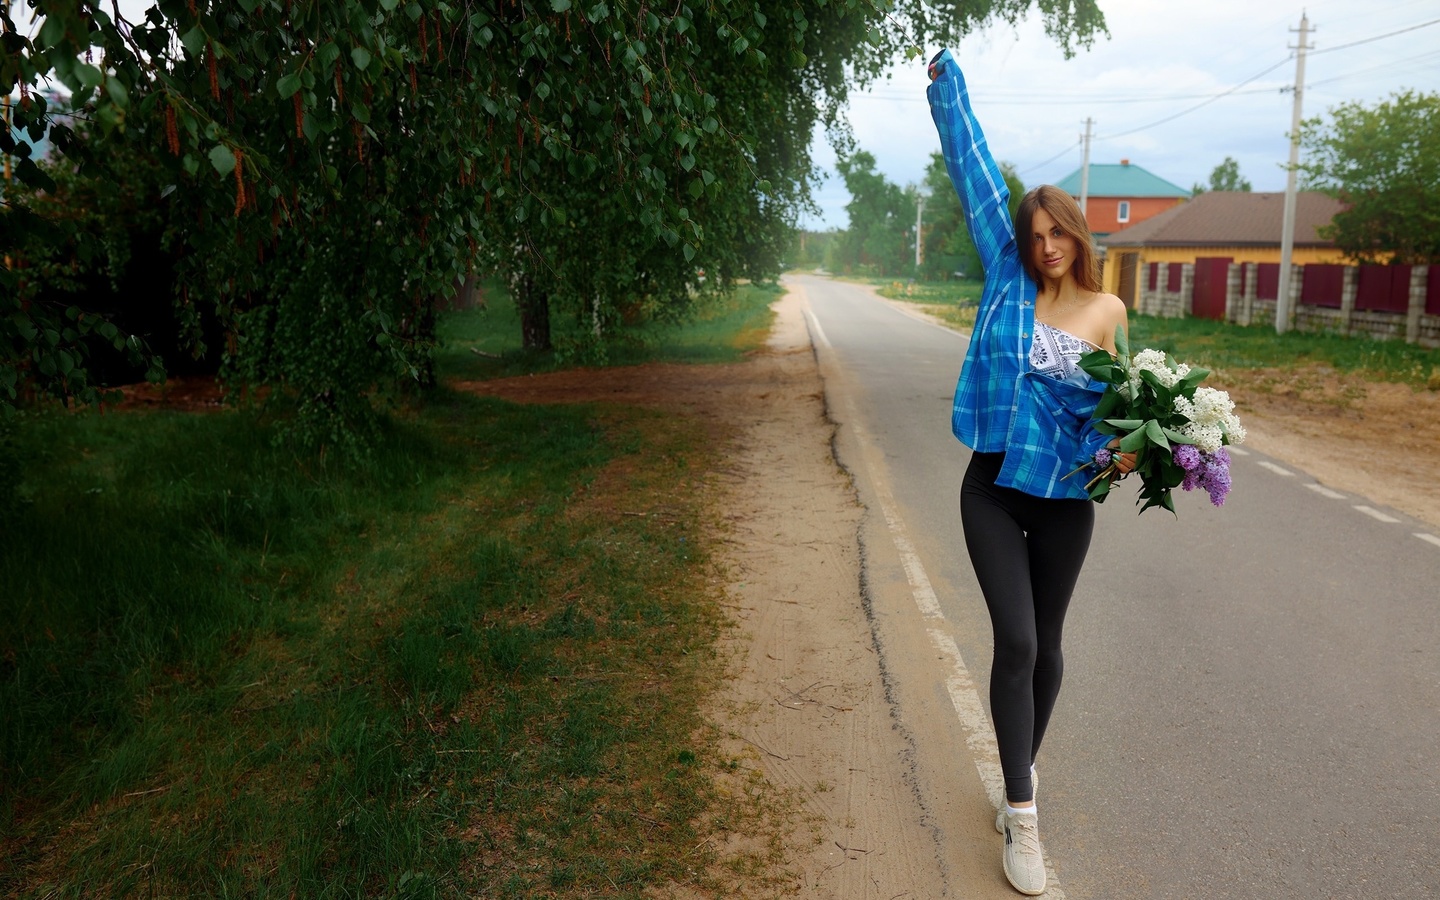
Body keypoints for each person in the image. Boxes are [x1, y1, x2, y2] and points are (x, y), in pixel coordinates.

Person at [926, 48, 1133, 896]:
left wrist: (1128, 452)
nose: (1046, 246)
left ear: (1079, 235)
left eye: (1058, 233)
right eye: (1034, 234)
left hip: (1065, 505)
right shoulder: (1007, 278)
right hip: (992, 488)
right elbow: (975, 171)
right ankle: (1025, 819)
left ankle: (1018, 774)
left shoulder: (1108, 311)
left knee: (1049, 651)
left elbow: (1117, 415)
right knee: (1015, 640)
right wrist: (948, 89)